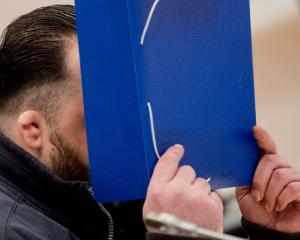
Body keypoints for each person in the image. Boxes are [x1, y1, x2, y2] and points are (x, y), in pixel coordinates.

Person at [0, 4, 299, 240]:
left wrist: (272, 232)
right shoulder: (12, 229)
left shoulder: (107, 195)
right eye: (104, 115)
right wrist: (181, 238)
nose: (128, 131)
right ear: (33, 130)